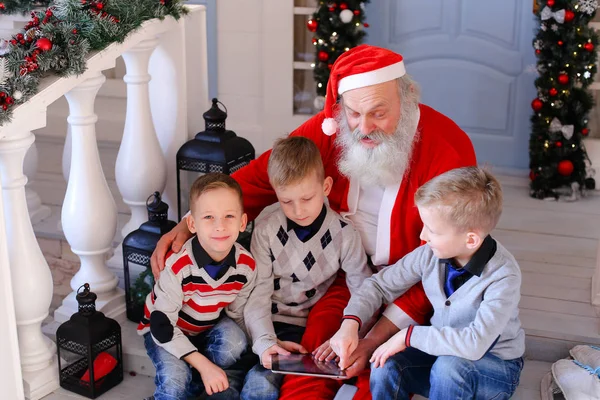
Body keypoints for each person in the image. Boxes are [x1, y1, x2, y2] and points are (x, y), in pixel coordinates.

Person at [151, 44, 477, 399]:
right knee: (311, 362)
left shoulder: (449, 148)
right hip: (338, 276)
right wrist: (188, 222)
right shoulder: (329, 129)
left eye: (378, 113)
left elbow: (445, 264)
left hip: (414, 286)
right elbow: (262, 178)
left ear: (407, 97)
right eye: (353, 113)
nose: (364, 128)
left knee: (381, 373)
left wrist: (371, 338)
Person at [330, 166, 525, 399]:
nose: (423, 235)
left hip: (494, 368)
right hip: (441, 356)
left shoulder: (503, 276)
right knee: (386, 363)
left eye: (432, 230)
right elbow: (379, 285)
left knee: (448, 367)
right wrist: (350, 323)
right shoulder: (430, 254)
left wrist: (407, 336)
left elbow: (475, 343)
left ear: (471, 239)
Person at [240, 136, 373, 400]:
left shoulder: (344, 234)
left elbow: (362, 286)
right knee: (250, 384)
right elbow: (258, 292)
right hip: (263, 321)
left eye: (306, 198)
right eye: (286, 201)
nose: (298, 210)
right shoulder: (267, 229)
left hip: (302, 329)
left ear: (325, 186)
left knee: (269, 386)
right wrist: (266, 341)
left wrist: (352, 331)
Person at [138, 173, 257, 400]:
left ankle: (200, 378)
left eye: (229, 216)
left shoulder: (245, 266)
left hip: (205, 328)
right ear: (192, 223)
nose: (220, 226)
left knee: (235, 342)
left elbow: (238, 315)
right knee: (174, 385)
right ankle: (190, 377)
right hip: (166, 330)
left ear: (242, 222)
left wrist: (266, 341)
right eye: (209, 217)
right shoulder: (178, 266)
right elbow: (162, 328)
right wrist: (204, 365)